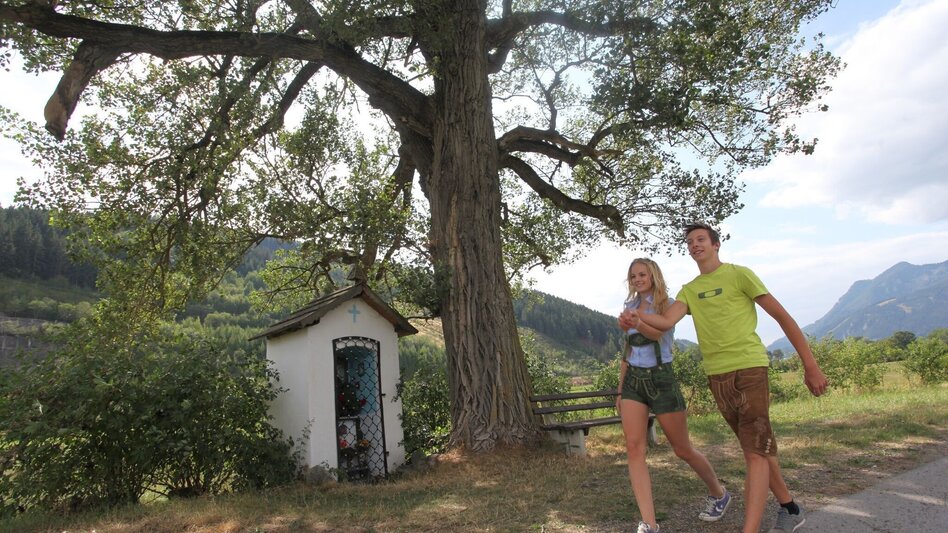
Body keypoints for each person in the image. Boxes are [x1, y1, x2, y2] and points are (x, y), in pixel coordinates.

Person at [621, 223, 828, 533]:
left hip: (750, 368)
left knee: (754, 452)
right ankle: (790, 507)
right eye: (689, 242)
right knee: (757, 447)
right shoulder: (690, 290)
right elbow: (664, 321)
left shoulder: (739, 274)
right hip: (716, 376)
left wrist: (810, 365)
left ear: (716, 244)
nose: (694, 245)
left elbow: (782, 316)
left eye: (700, 239)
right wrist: (636, 317)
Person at [616, 258, 730, 533]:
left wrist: (637, 322)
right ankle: (649, 524)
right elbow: (627, 350)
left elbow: (658, 333)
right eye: (633, 276)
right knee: (634, 449)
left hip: (661, 378)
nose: (638, 279)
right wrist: (620, 390)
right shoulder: (629, 307)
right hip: (634, 380)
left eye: (642, 274)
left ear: (653, 276)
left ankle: (719, 493)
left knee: (682, 449)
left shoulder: (668, 305)